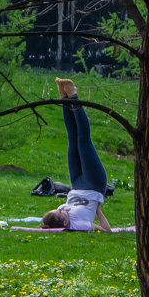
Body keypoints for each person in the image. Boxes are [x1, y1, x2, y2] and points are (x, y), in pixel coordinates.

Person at [40, 77, 113, 232]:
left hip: (76, 184)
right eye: (61, 212)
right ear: (66, 223)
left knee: (72, 138)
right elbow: (106, 230)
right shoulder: (78, 224)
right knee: (83, 140)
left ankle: (64, 99)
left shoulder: (61, 215)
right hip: (94, 185)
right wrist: (97, 209)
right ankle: (73, 96)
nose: (62, 209)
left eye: (59, 209)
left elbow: (47, 225)